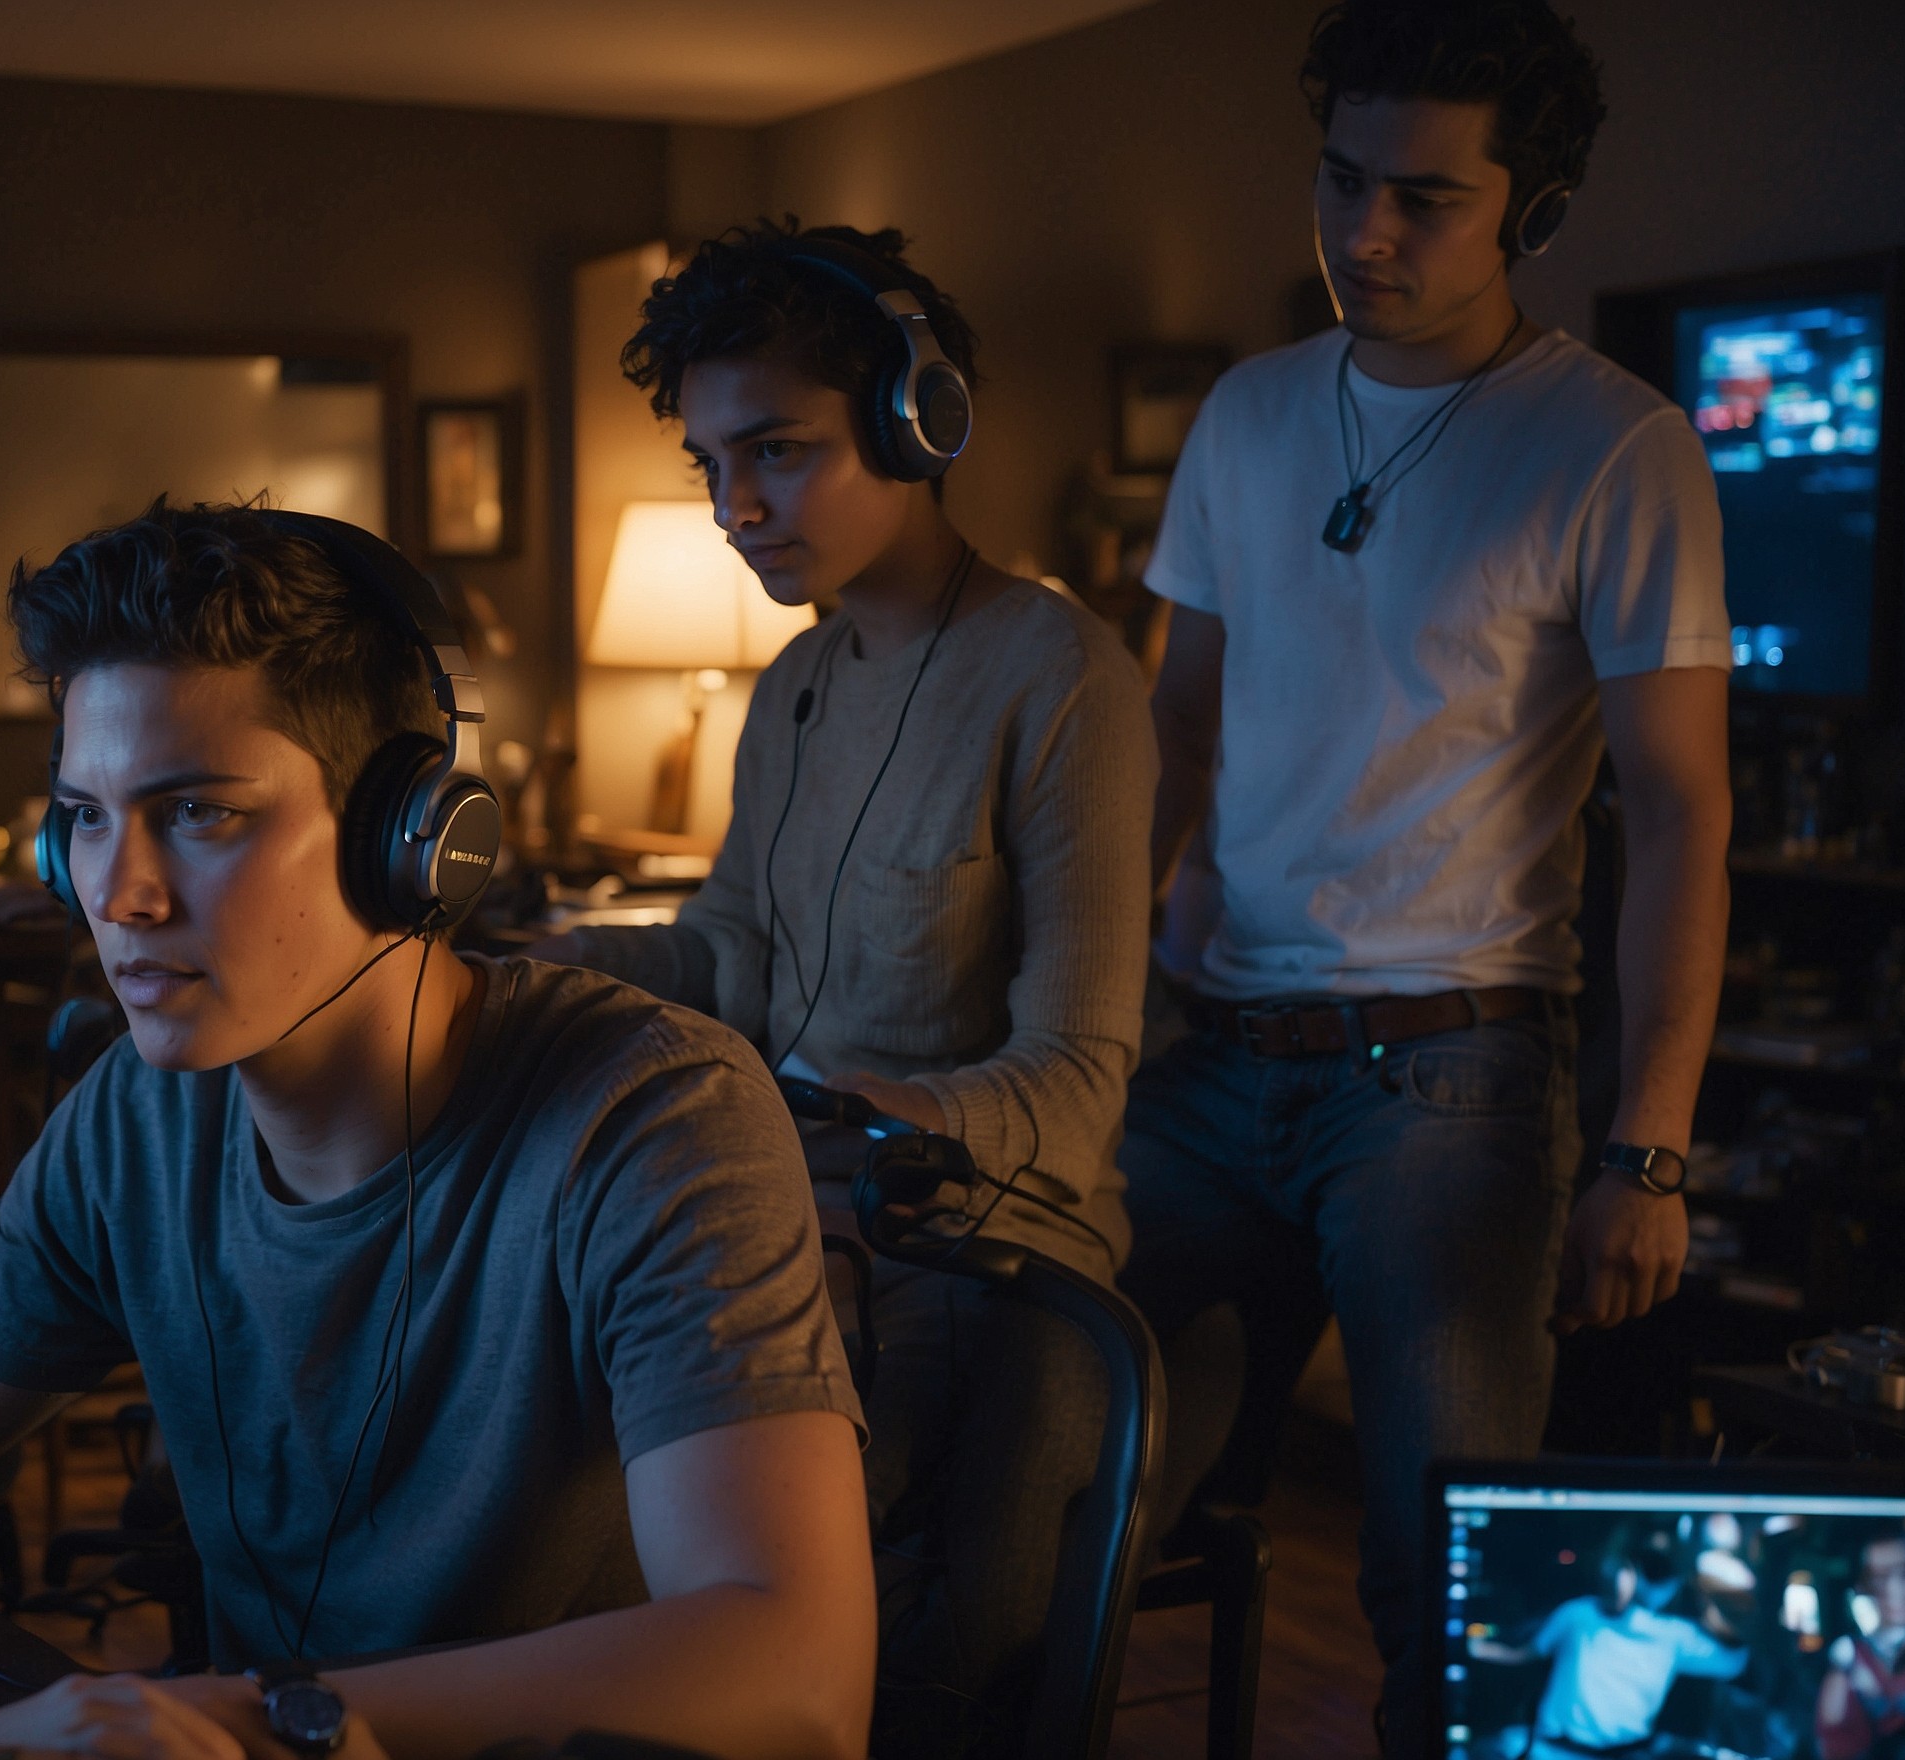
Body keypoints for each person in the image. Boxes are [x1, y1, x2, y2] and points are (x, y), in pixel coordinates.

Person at [0, 503, 874, 1760]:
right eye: (82, 816)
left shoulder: (652, 1112)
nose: (115, 895)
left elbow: (795, 1674)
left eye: (196, 813)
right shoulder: (141, 1115)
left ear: (419, 836)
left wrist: (244, 1716)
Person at [1115, 2, 1734, 1749]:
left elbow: (1681, 813)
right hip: (1212, 1052)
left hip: (1447, 1079)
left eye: (1421, 199)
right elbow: (1174, 731)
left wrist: (1647, 1153)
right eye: (1337, 179)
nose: (1361, 234)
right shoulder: (1244, 415)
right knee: (1022, 1430)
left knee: (1434, 1572)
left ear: (1524, 215)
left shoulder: (1614, 448)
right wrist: (1090, 1018)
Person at [525, 220, 1152, 1751]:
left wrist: (868, 1116)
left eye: (779, 454)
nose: (739, 510)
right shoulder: (792, 687)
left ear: (912, 420)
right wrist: (521, 966)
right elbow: (726, 960)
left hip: (991, 1259)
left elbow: (1078, 1070)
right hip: (794, 1216)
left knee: (922, 1671)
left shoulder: (1060, 676)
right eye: (712, 468)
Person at [1470, 1528, 1747, 1758]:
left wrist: (1710, 1605)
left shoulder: (1675, 1635)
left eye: (1655, 1570)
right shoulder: (1579, 1614)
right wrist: (1472, 1647)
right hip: (1552, 1750)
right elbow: (1524, 1653)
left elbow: (1734, 1662)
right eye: (1633, 1566)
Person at [1819, 1528, 1905, 1760]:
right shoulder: (1848, 1655)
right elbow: (1833, 1741)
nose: (1895, 1590)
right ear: (1862, 1586)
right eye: (1879, 1578)